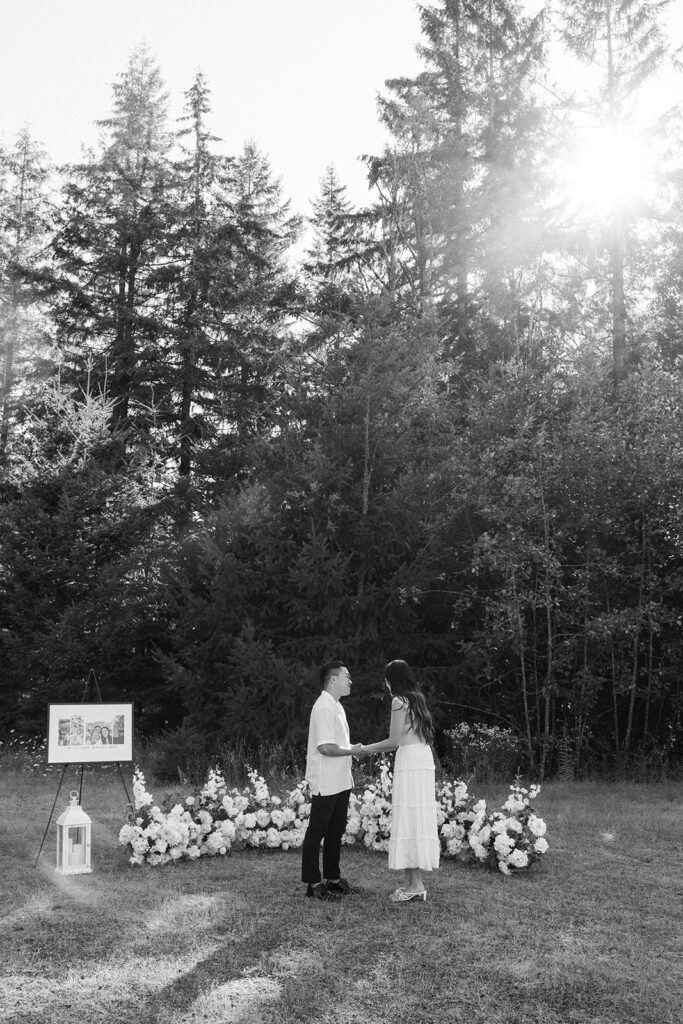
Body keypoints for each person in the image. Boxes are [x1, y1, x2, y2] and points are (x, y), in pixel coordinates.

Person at [359, 660, 440, 902]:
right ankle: (411, 882)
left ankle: (416, 885)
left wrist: (363, 749)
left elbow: (393, 741)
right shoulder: (417, 699)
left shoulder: (398, 701)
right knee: (413, 815)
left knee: (409, 817)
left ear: (391, 680)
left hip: (411, 761)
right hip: (422, 759)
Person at [301, 661, 363, 902]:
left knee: (336, 830)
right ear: (333, 679)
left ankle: (333, 879)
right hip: (325, 780)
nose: (350, 680)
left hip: (340, 780)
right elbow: (325, 747)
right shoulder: (323, 707)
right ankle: (313, 884)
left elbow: (337, 743)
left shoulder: (336, 706)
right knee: (317, 831)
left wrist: (351, 750)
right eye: (347, 676)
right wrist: (353, 751)